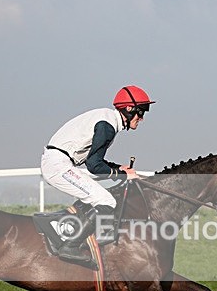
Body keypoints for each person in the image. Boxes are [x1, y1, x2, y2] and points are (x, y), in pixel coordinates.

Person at [39, 85, 154, 261]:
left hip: (61, 162)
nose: (142, 118)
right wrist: (122, 174)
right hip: (58, 165)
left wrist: (119, 169)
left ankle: (62, 224)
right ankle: (70, 246)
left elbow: (94, 160)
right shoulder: (107, 126)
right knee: (106, 200)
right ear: (129, 109)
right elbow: (93, 165)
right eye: (142, 112)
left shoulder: (108, 120)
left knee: (98, 196)